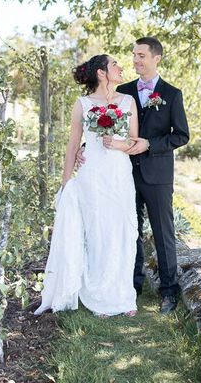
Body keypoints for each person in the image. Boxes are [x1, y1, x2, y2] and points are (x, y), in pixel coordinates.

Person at [34, 54, 139, 317]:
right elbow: (72, 145)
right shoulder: (82, 104)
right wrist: (65, 182)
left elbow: (134, 140)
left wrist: (115, 143)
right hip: (92, 174)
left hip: (119, 172)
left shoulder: (128, 101)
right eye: (115, 64)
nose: (121, 67)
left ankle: (124, 296)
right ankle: (98, 295)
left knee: (123, 230)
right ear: (102, 72)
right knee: (98, 231)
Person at [106, 36, 190, 313]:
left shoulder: (172, 94)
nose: (135, 60)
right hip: (125, 172)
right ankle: (131, 286)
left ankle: (169, 291)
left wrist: (150, 144)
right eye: (133, 55)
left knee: (163, 233)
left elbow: (181, 135)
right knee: (130, 231)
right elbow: (106, 124)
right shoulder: (124, 91)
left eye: (141, 55)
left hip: (157, 174)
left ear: (157, 58)